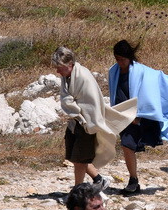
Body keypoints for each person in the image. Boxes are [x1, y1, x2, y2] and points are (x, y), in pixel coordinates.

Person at [106, 40, 168, 196]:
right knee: (127, 146)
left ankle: (133, 181)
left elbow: (156, 86)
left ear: (129, 57)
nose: (119, 63)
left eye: (122, 59)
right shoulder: (113, 71)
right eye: (117, 59)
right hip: (123, 115)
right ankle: (133, 180)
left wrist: (140, 115)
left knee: (127, 145)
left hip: (139, 116)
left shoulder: (142, 72)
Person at [52, 47, 133, 193]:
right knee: (74, 155)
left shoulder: (83, 77)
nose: (58, 72)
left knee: (80, 158)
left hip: (86, 122)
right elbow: (68, 99)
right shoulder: (68, 76)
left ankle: (78, 191)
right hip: (76, 121)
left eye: (60, 68)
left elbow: (92, 104)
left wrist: (88, 123)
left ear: (70, 64)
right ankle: (99, 180)